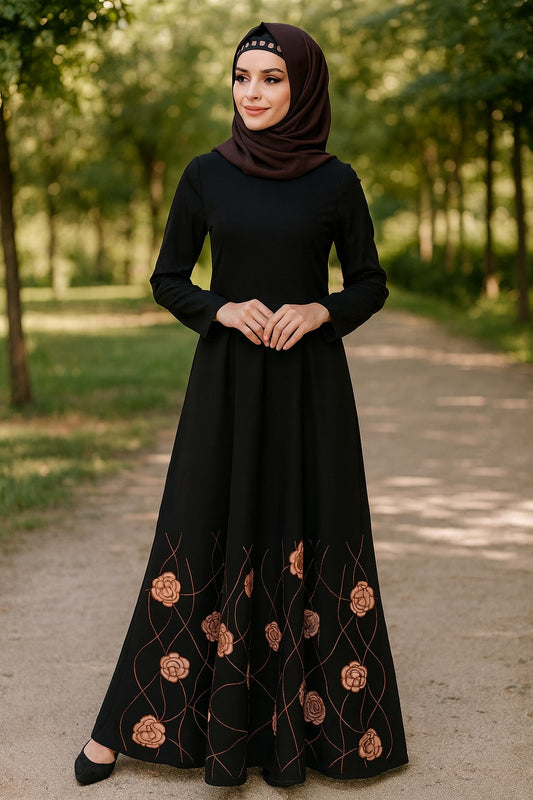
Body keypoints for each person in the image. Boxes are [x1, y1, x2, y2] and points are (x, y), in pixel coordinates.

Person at [75, 21, 408, 788]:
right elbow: (168, 277)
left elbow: (368, 281)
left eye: (270, 78)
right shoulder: (204, 174)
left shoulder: (336, 181)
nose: (251, 92)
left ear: (303, 88)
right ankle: (120, 725)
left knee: (306, 529)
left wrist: (322, 311)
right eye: (241, 76)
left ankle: (300, 735)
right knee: (195, 531)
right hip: (225, 383)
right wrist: (220, 309)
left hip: (308, 390)